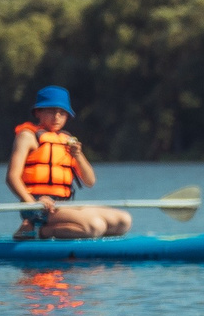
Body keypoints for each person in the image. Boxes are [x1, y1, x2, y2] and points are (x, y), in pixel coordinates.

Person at [7, 87, 131, 238]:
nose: (56, 117)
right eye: (51, 111)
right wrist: (33, 204)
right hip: (37, 204)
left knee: (123, 221)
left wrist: (78, 155)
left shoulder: (67, 141)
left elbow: (90, 181)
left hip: (63, 205)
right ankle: (35, 230)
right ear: (38, 112)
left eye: (62, 112)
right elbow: (12, 177)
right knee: (94, 226)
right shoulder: (27, 136)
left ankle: (48, 228)